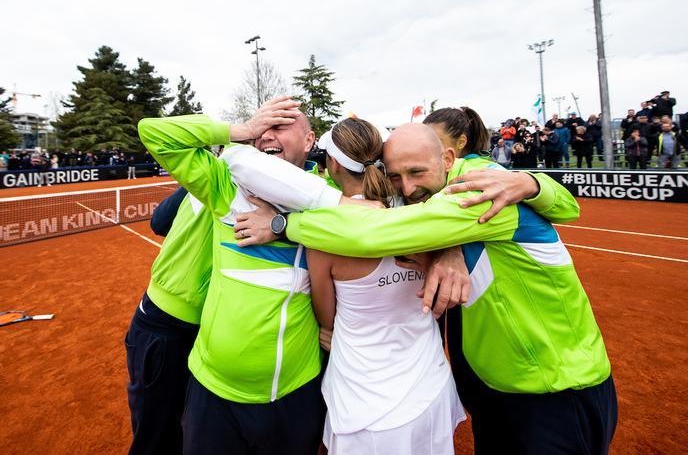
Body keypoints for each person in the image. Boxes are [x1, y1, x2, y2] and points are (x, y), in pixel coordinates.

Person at [244, 114, 616, 455]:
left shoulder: (481, 190)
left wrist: (282, 226)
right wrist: (446, 249)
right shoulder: (436, 200)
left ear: (449, 160)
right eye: (395, 176)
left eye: (417, 172)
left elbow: (373, 234)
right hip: (497, 387)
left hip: (556, 391)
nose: (407, 187)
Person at [129, 98, 361, 455]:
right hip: (178, 330)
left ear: (310, 139)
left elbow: (367, 219)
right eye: (264, 127)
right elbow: (156, 142)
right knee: (158, 436)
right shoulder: (228, 175)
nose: (268, 134)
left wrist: (282, 226)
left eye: (281, 127)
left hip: (277, 370)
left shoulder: (324, 191)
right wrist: (242, 131)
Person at [310, 118, 465, 454]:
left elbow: (327, 320)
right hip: (431, 384)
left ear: (333, 163)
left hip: (364, 400)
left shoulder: (322, 232)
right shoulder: (420, 212)